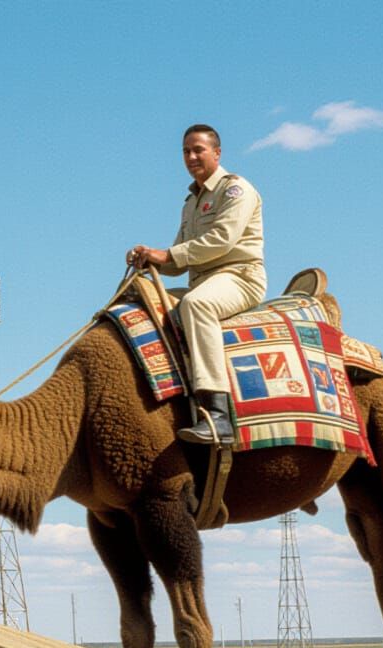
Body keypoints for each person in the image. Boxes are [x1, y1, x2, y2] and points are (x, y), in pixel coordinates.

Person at [127, 124, 266, 445]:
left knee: (196, 305)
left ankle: (218, 415)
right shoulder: (190, 203)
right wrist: (151, 258)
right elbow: (177, 263)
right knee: (141, 300)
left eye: (198, 150)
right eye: (186, 152)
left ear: (217, 153)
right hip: (203, 281)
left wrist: (167, 254)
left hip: (239, 277)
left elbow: (222, 241)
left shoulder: (236, 190)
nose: (191, 157)